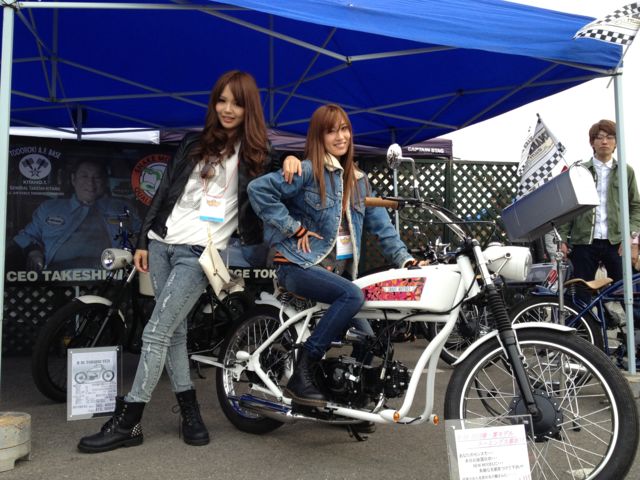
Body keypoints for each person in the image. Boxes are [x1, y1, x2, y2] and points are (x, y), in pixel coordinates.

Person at [77, 70, 300, 453]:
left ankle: (129, 421)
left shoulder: (259, 155)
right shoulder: (193, 143)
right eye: (222, 100)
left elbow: (288, 175)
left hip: (201, 253)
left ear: (249, 108)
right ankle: (190, 411)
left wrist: (295, 157)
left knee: (155, 332)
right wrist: (145, 238)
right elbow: (165, 191)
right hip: (162, 244)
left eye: (237, 103)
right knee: (174, 331)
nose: (227, 109)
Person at [247, 104, 423, 413]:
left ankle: (348, 403)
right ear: (319, 136)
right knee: (352, 295)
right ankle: (304, 368)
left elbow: (383, 229)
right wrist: (294, 227)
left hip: (336, 276)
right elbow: (258, 189)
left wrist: (406, 261)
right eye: (331, 131)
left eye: (344, 129)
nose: (340, 137)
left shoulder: (360, 181)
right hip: (298, 265)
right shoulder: (307, 171)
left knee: (370, 341)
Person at [12, 159, 141, 271]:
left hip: (109, 274)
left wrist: (135, 241)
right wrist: (33, 251)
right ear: (73, 179)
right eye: (84, 176)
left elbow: (142, 233)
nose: (90, 183)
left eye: (97, 177)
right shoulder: (50, 208)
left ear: (105, 181)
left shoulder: (122, 208)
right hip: (58, 275)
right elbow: (26, 236)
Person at [559, 119, 640, 288]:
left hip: (617, 241)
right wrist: (563, 239)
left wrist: (631, 237)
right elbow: (568, 208)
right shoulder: (579, 171)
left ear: (616, 142)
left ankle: (616, 308)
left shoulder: (626, 171)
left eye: (610, 137)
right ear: (592, 142)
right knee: (581, 291)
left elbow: (635, 206)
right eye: (599, 137)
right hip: (583, 241)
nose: (604, 141)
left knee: (625, 291)